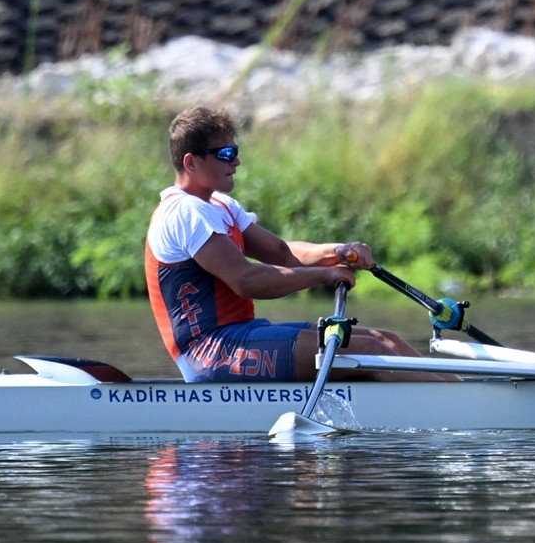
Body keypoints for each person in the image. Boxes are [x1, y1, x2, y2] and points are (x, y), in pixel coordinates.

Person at [145, 105, 436, 382]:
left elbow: (282, 252)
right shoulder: (184, 212)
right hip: (210, 352)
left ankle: (454, 395)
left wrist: (339, 252)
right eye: (225, 153)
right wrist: (325, 274)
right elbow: (246, 280)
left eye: (235, 151)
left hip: (242, 335)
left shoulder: (220, 205)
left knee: (384, 340)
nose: (236, 161)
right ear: (191, 162)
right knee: (371, 351)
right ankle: (450, 402)